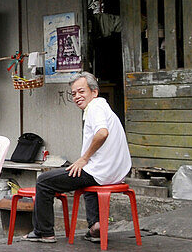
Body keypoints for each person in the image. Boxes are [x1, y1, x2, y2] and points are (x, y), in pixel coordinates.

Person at [24, 72, 132, 243]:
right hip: (114, 173)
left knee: (44, 181)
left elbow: (102, 133)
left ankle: (43, 232)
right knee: (86, 182)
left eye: (81, 92)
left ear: (94, 92)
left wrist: (84, 158)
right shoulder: (103, 107)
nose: (77, 97)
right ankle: (95, 226)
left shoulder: (95, 107)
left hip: (101, 172)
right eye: (73, 94)